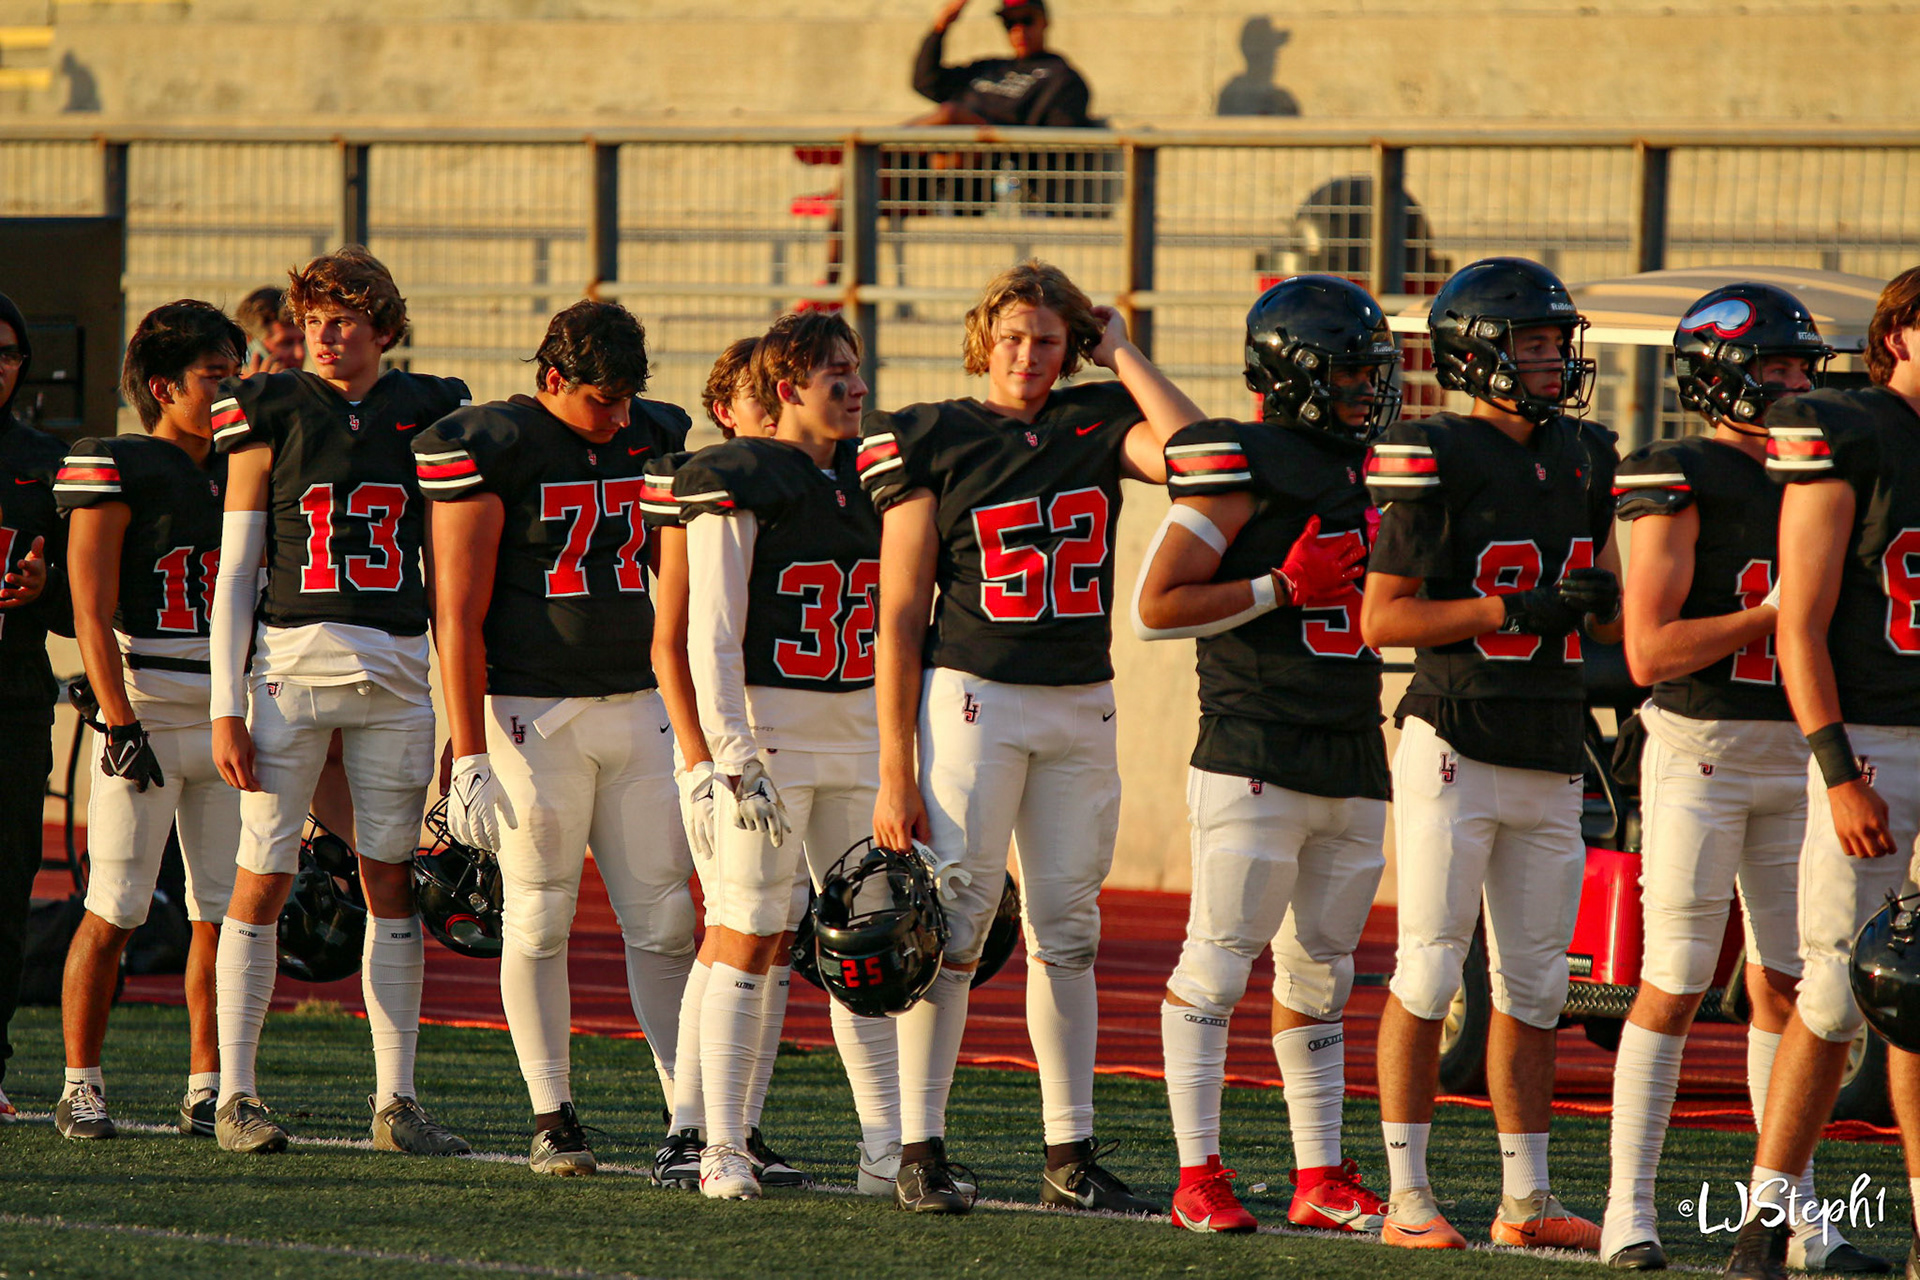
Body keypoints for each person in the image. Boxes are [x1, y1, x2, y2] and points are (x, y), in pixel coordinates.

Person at [861, 259, 1203, 1214]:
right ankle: (919, 1149)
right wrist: (894, 768)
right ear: (985, 339)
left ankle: (1069, 1153)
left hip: (1081, 702)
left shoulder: (1096, 419)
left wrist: (1123, 351)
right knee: (953, 928)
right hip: (973, 700)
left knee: (1070, 932)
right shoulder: (932, 434)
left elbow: (1200, 456)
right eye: (1013, 337)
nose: (1027, 354)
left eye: (1048, 340)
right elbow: (899, 611)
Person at [1604, 286, 1882, 1273]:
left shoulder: (1833, 464)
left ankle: (1795, 1220)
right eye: (1775, 366)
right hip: (1703, 750)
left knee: (1793, 986)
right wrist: (1777, 616)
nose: (1797, 383)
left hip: (1802, 756)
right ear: (1718, 374)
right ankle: (1628, 1211)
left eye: (1804, 366)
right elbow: (1649, 650)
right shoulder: (1680, 472)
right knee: (1677, 977)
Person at [1360, 256, 1622, 1251]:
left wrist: (1602, 603)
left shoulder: (1588, 454)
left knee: (1538, 984)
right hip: (1455, 738)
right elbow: (1385, 618)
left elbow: (1603, 605)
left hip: (1550, 738)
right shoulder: (1437, 450)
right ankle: (1407, 1197)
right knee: (1431, 969)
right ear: (1476, 355)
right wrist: (1511, 608)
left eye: (1557, 342)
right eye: (1534, 343)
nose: (1554, 359)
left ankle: (1527, 1200)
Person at [1132, 276, 1396, 1235]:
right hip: (1254, 742)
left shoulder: (1377, 465)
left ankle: (1319, 1175)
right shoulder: (1242, 464)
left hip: (1353, 743)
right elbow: (1155, 607)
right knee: (1217, 963)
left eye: (1373, 371)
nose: (1368, 389)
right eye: (1349, 372)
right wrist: (1283, 586)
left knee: (1322, 970)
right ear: (1293, 375)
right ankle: (1196, 1175)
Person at [415, 299, 696, 1175]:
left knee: (666, 919)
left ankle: (691, 1120)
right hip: (531, 712)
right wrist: (466, 750)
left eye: (626, 398)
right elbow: (456, 613)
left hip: (638, 703)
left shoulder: (655, 433)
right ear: (551, 379)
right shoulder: (493, 444)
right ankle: (553, 1115)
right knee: (538, 916)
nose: (617, 416)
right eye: (600, 399)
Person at [206, 246, 471, 1156]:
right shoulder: (268, 406)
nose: (323, 334)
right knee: (263, 873)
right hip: (290, 667)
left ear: (384, 328)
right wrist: (225, 705)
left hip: (396, 672)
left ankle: (396, 1099)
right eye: (314, 318)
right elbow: (237, 569)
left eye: (343, 318)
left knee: (391, 878)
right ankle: (235, 1094)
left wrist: (461, 711)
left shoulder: (431, 409)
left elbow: (449, 572)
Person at [673, 311, 904, 1201]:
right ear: (787, 390)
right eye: (835, 373)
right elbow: (710, 633)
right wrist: (730, 754)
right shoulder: (739, 475)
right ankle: (723, 1146)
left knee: (867, 945)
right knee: (749, 928)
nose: (855, 387)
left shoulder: (872, 474)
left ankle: (885, 1147)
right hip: (772, 736)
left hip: (858, 733)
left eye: (857, 368)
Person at [1724, 266, 1920, 1280]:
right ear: (1898, 335)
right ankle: (1765, 1222)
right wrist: (1839, 769)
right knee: (1836, 993)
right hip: (1876, 736)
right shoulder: (1850, 430)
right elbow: (1798, 623)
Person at [51, 301, 246, 1142]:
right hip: (150, 713)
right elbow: (90, 611)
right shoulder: (117, 463)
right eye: (215, 377)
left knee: (223, 916)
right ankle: (80, 1082)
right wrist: (120, 719)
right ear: (164, 387)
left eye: (237, 375)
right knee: (117, 907)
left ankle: (209, 1084)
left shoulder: (248, 463)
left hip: (230, 715)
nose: (231, 392)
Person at [649, 336, 819, 1192]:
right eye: (759, 404)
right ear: (727, 412)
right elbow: (673, 640)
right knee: (733, 929)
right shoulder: (714, 483)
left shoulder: (807, 485)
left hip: (781, 744)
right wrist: (698, 761)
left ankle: (738, 1126)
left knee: (775, 933)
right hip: (726, 752)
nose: (773, 423)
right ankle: (692, 1129)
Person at [0, 288, 64, 1123]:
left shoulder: (47, 462)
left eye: (8, 353)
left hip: (11, 699)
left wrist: (47, 589)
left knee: (7, 885)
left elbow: (81, 608)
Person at [913, 0, 1093, 129]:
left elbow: (1057, 144)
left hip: (1001, 158)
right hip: (950, 156)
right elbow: (926, 83)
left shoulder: (1062, 79)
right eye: (1010, 23)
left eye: (1027, 20)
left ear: (1045, 22)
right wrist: (940, 27)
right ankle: (895, 147)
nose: (1019, 31)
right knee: (941, 150)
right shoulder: (989, 68)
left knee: (951, 114)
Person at [234, 286, 306, 376]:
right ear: (249, 347)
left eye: (302, 341)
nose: (300, 354)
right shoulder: (222, 384)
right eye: (286, 343)